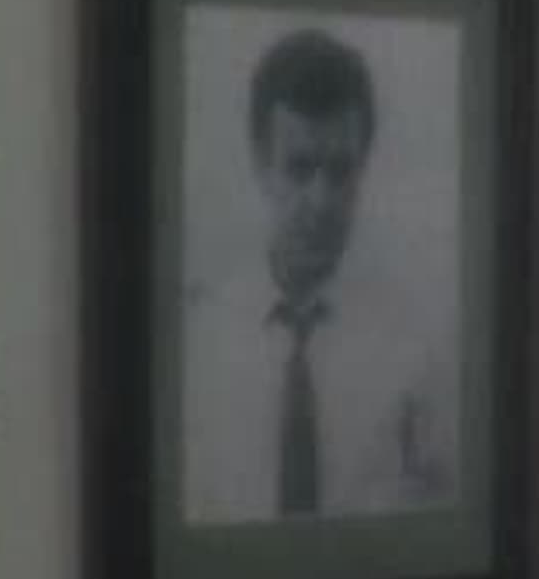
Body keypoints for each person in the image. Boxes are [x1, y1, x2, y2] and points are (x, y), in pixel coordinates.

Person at [182, 27, 456, 524]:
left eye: (340, 171)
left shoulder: (417, 349)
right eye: (300, 168)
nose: (322, 201)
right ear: (260, 163)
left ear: (364, 168)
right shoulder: (199, 340)